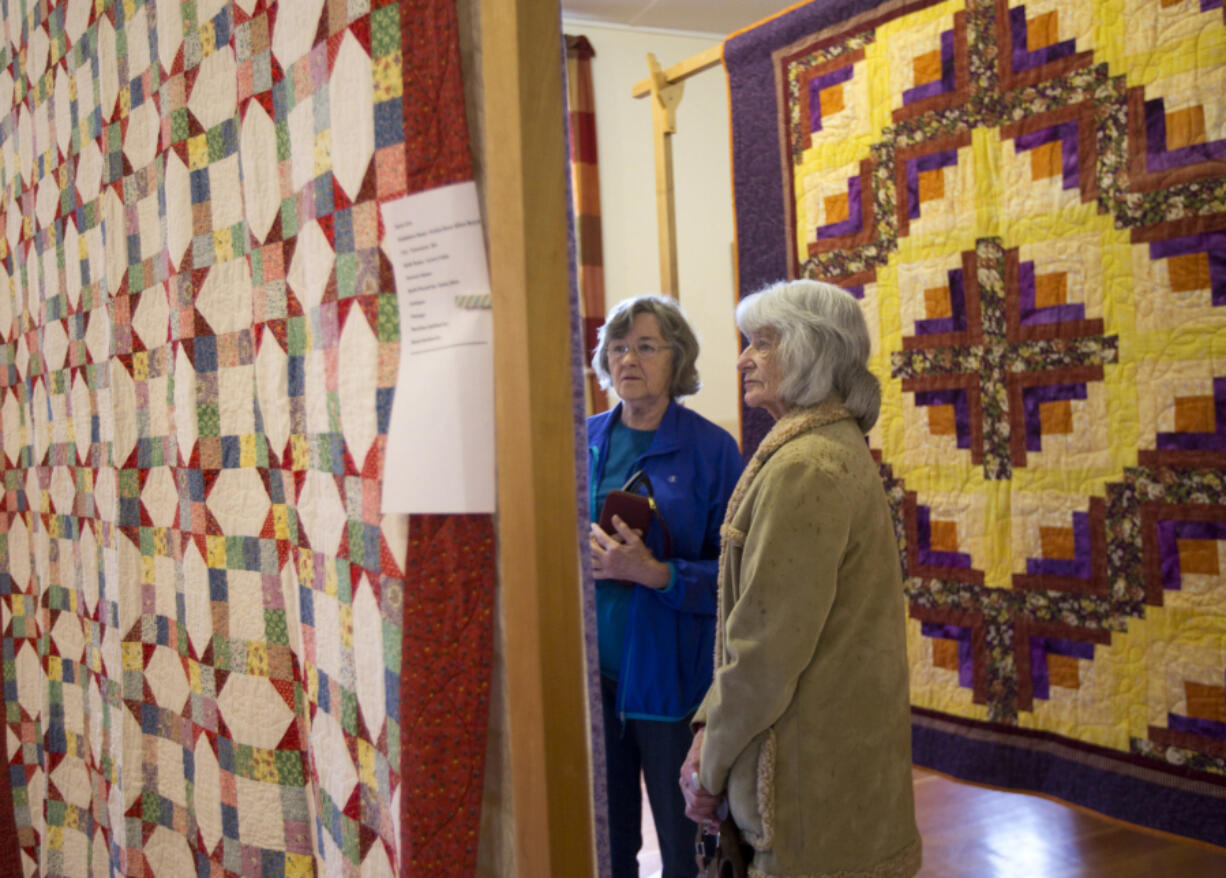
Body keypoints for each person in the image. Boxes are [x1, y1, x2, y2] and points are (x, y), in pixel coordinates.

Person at [679, 280, 921, 878]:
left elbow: (764, 654)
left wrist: (708, 766)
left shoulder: (805, 467)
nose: (742, 359)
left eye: (762, 342)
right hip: (831, 761)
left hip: (806, 777)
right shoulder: (827, 448)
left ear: (811, 351)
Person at [587, 295, 745, 878]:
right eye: (619, 347)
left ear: (676, 357)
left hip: (671, 681)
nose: (629, 358)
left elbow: (739, 579)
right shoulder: (586, 440)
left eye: (646, 346)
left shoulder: (713, 451)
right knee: (607, 841)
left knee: (684, 848)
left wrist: (657, 573)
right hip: (593, 679)